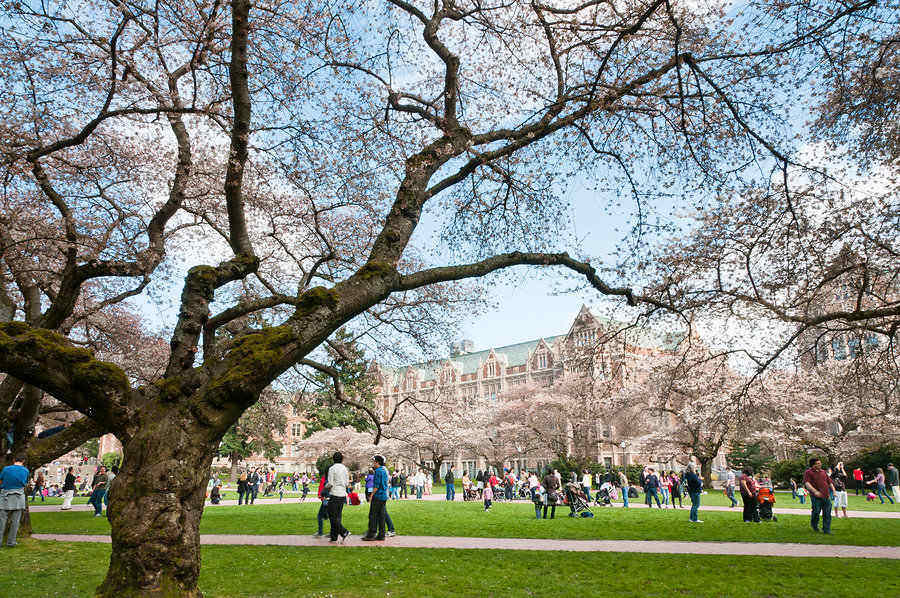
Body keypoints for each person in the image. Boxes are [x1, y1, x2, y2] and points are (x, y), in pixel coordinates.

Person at [0, 455, 29, 547]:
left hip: (5, 495)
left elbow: (1, 480)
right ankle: (11, 542)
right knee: (15, 522)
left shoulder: (6, 469)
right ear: (23, 461)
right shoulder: (25, 470)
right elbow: (25, 482)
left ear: (13, 460)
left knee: (1, 521)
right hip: (19, 496)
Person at [803, 457, 835, 534]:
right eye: (818, 463)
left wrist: (833, 491)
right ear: (813, 465)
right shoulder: (808, 472)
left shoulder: (823, 472)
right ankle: (814, 525)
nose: (820, 464)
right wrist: (815, 492)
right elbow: (807, 483)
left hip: (826, 496)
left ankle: (826, 529)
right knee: (816, 512)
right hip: (816, 497)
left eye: (820, 463)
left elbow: (829, 482)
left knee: (827, 513)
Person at [325, 451, 351, 543]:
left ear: (333, 459)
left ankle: (344, 531)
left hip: (335, 494)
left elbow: (330, 483)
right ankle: (334, 537)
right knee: (338, 516)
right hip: (342, 494)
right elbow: (347, 483)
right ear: (342, 459)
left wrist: (325, 487)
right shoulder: (345, 468)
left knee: (332, 516)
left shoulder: (332, 469)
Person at [362, 455, 389, 541]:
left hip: (378, 496)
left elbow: (376, 486)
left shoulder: (377, 471)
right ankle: (381, 534)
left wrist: (371, 496)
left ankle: (371, 534)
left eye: (374, 462)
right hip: (384, 496)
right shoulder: (384, 470)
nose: (373, 463)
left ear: (377, 462)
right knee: (381, 516)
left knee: (373, 515)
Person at [313, 472, 329, 537]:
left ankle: (320, 532)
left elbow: (324, 488)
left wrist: (321, 495)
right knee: (331, 516)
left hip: (326, 500)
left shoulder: (326, 479)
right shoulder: (330, 478)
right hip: (331, 499)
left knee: (320, 516)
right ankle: (333, 532)